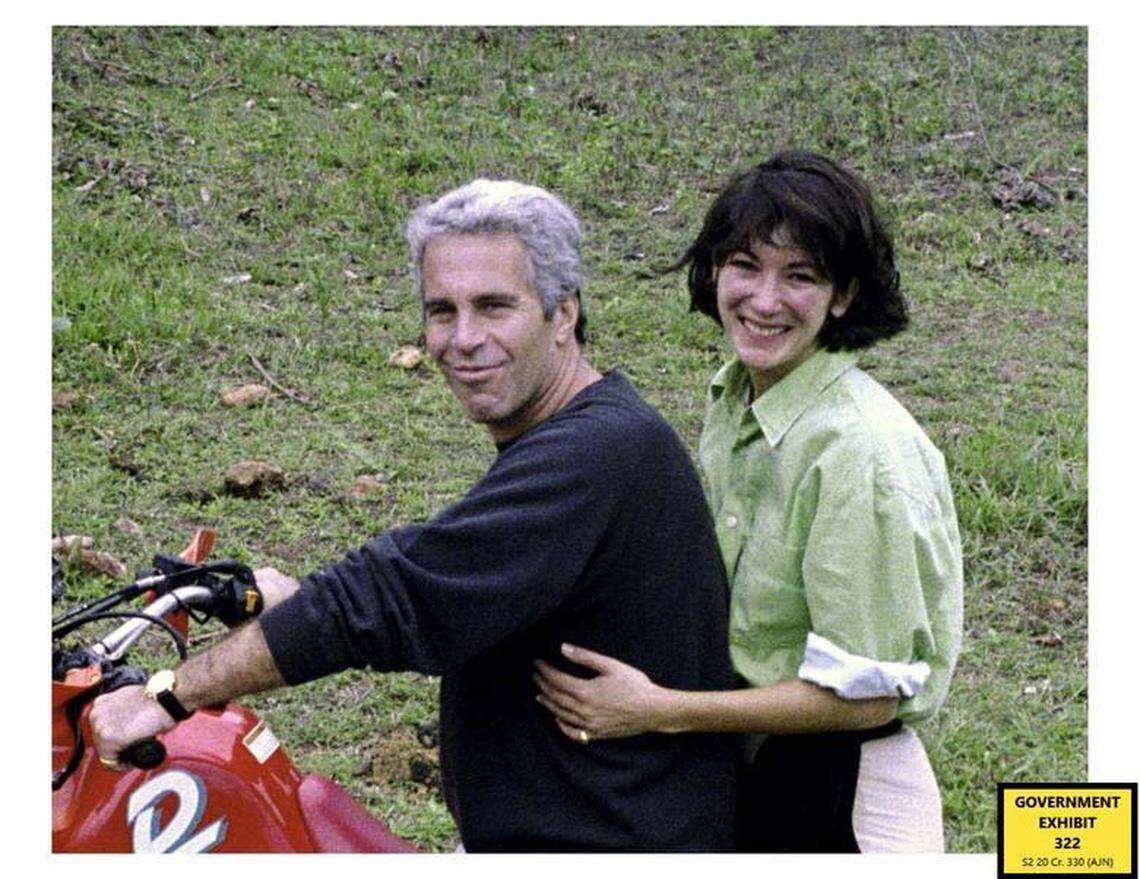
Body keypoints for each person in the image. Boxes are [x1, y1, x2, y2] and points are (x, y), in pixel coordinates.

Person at [89, 179, 738, 853]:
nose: (463, 339)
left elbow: (394, 593)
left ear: (564, 313)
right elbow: (450, 586)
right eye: (442, 310)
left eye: (493, 306)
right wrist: (298, 604)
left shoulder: (597, 453)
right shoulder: (586, 431)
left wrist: (166, 697)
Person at [534, 151, 964, 853]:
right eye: (745, 266)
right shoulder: (735, 398)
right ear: (714, 273)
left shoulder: (859, 452)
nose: (764, 300)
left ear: (845, 295)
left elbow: (867, 694)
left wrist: (660, 711)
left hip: (847, 789)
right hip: (755, 768)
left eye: (800, 276)